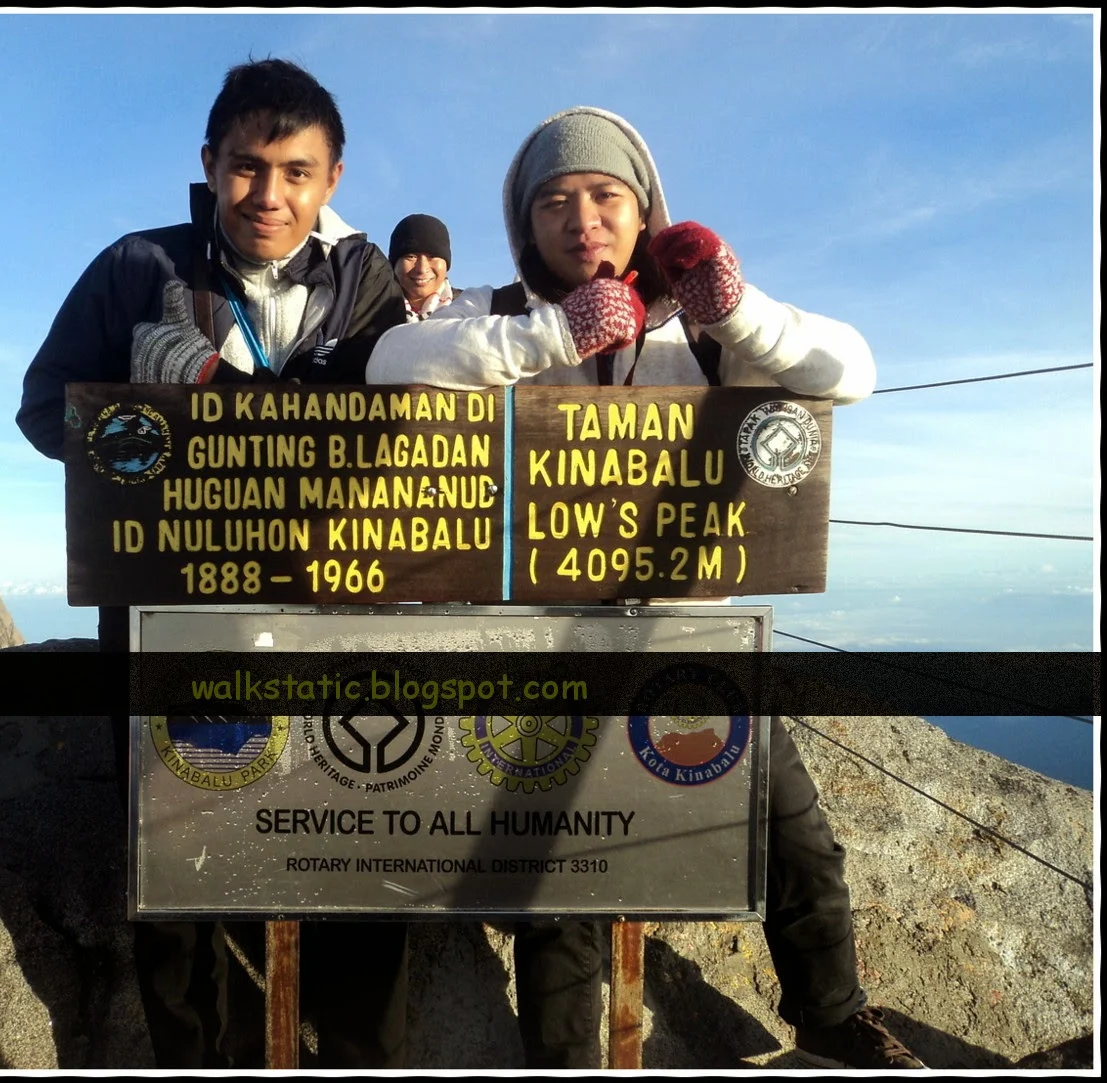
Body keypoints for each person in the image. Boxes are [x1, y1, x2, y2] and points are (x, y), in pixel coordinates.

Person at [365, 106, 923, 1071]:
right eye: (553, 202)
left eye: (605, 196)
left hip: (690, 638)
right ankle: (561, 1058)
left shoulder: (702, 324)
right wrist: (552, 334)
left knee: (795, 838)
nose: (581, 218)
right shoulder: (491, 313)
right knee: (559, 882)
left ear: (643, 207)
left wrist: (730, 310)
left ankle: (831, 1019)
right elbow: (388, 365)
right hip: (546, 649)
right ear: (524, 221)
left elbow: (851, 369)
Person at [15, 57, 408, 1069]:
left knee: (355, 832)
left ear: (331, 178)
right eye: (244, 168)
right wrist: (134, 425)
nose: (266, 195)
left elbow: (401, 433)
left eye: (294, 171)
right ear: (208, 163)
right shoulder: (136, 266)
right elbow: (44, 405)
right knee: (177, 850)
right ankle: (196, 1055)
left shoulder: (368, 289)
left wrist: (213, 393)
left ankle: (351, 1047)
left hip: (332, 614)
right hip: (168, 617)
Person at [387, 213, 460, 321]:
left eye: (433, 257)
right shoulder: (371, 313)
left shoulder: (470, 309)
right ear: (393, 264)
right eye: (411, 256)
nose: (422, 268)